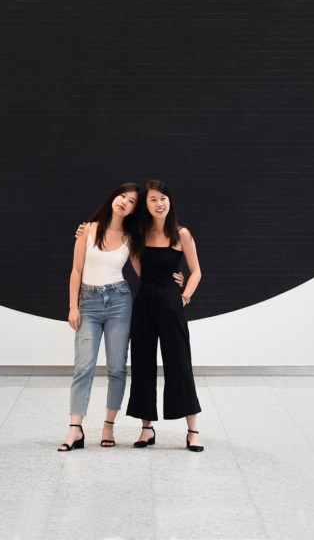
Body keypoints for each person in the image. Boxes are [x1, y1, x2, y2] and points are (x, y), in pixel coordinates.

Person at [57, 183, 140, 451]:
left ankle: (108, 426)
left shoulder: (131, 237)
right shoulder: (88, 229)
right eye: (122, 196)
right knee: (84, 367)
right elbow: (75, 271)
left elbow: (145, 273)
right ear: (113, 197)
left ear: (133, 211)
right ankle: (74, 429)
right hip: (88, 302)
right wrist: (73, 306)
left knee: (117, 368)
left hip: (119, 302)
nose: (124, 202)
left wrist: (178, 277)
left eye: (131, 202)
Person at [126, 179, 204, 452]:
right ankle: (147, 428)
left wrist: (183, 297)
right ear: (146, 205)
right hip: (144, 302)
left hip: (172, 304)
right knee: (143, 363)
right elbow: (138, 267)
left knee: (179, 363)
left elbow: (196, 271)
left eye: (163, 198)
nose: (159, 204)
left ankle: (192, 431)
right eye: (153, 200)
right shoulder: (138, 233)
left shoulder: (181, 234)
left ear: (169, 202)